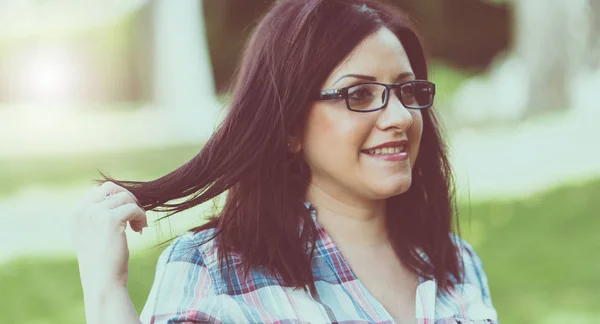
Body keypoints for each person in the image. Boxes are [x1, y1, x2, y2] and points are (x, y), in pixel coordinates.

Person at [68, 0, 500, 323]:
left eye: (407, 91)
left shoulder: (455, 262)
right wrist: (106, 292)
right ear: (290, 127)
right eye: (360, 94)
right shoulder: (213, 272)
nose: (401, 117)